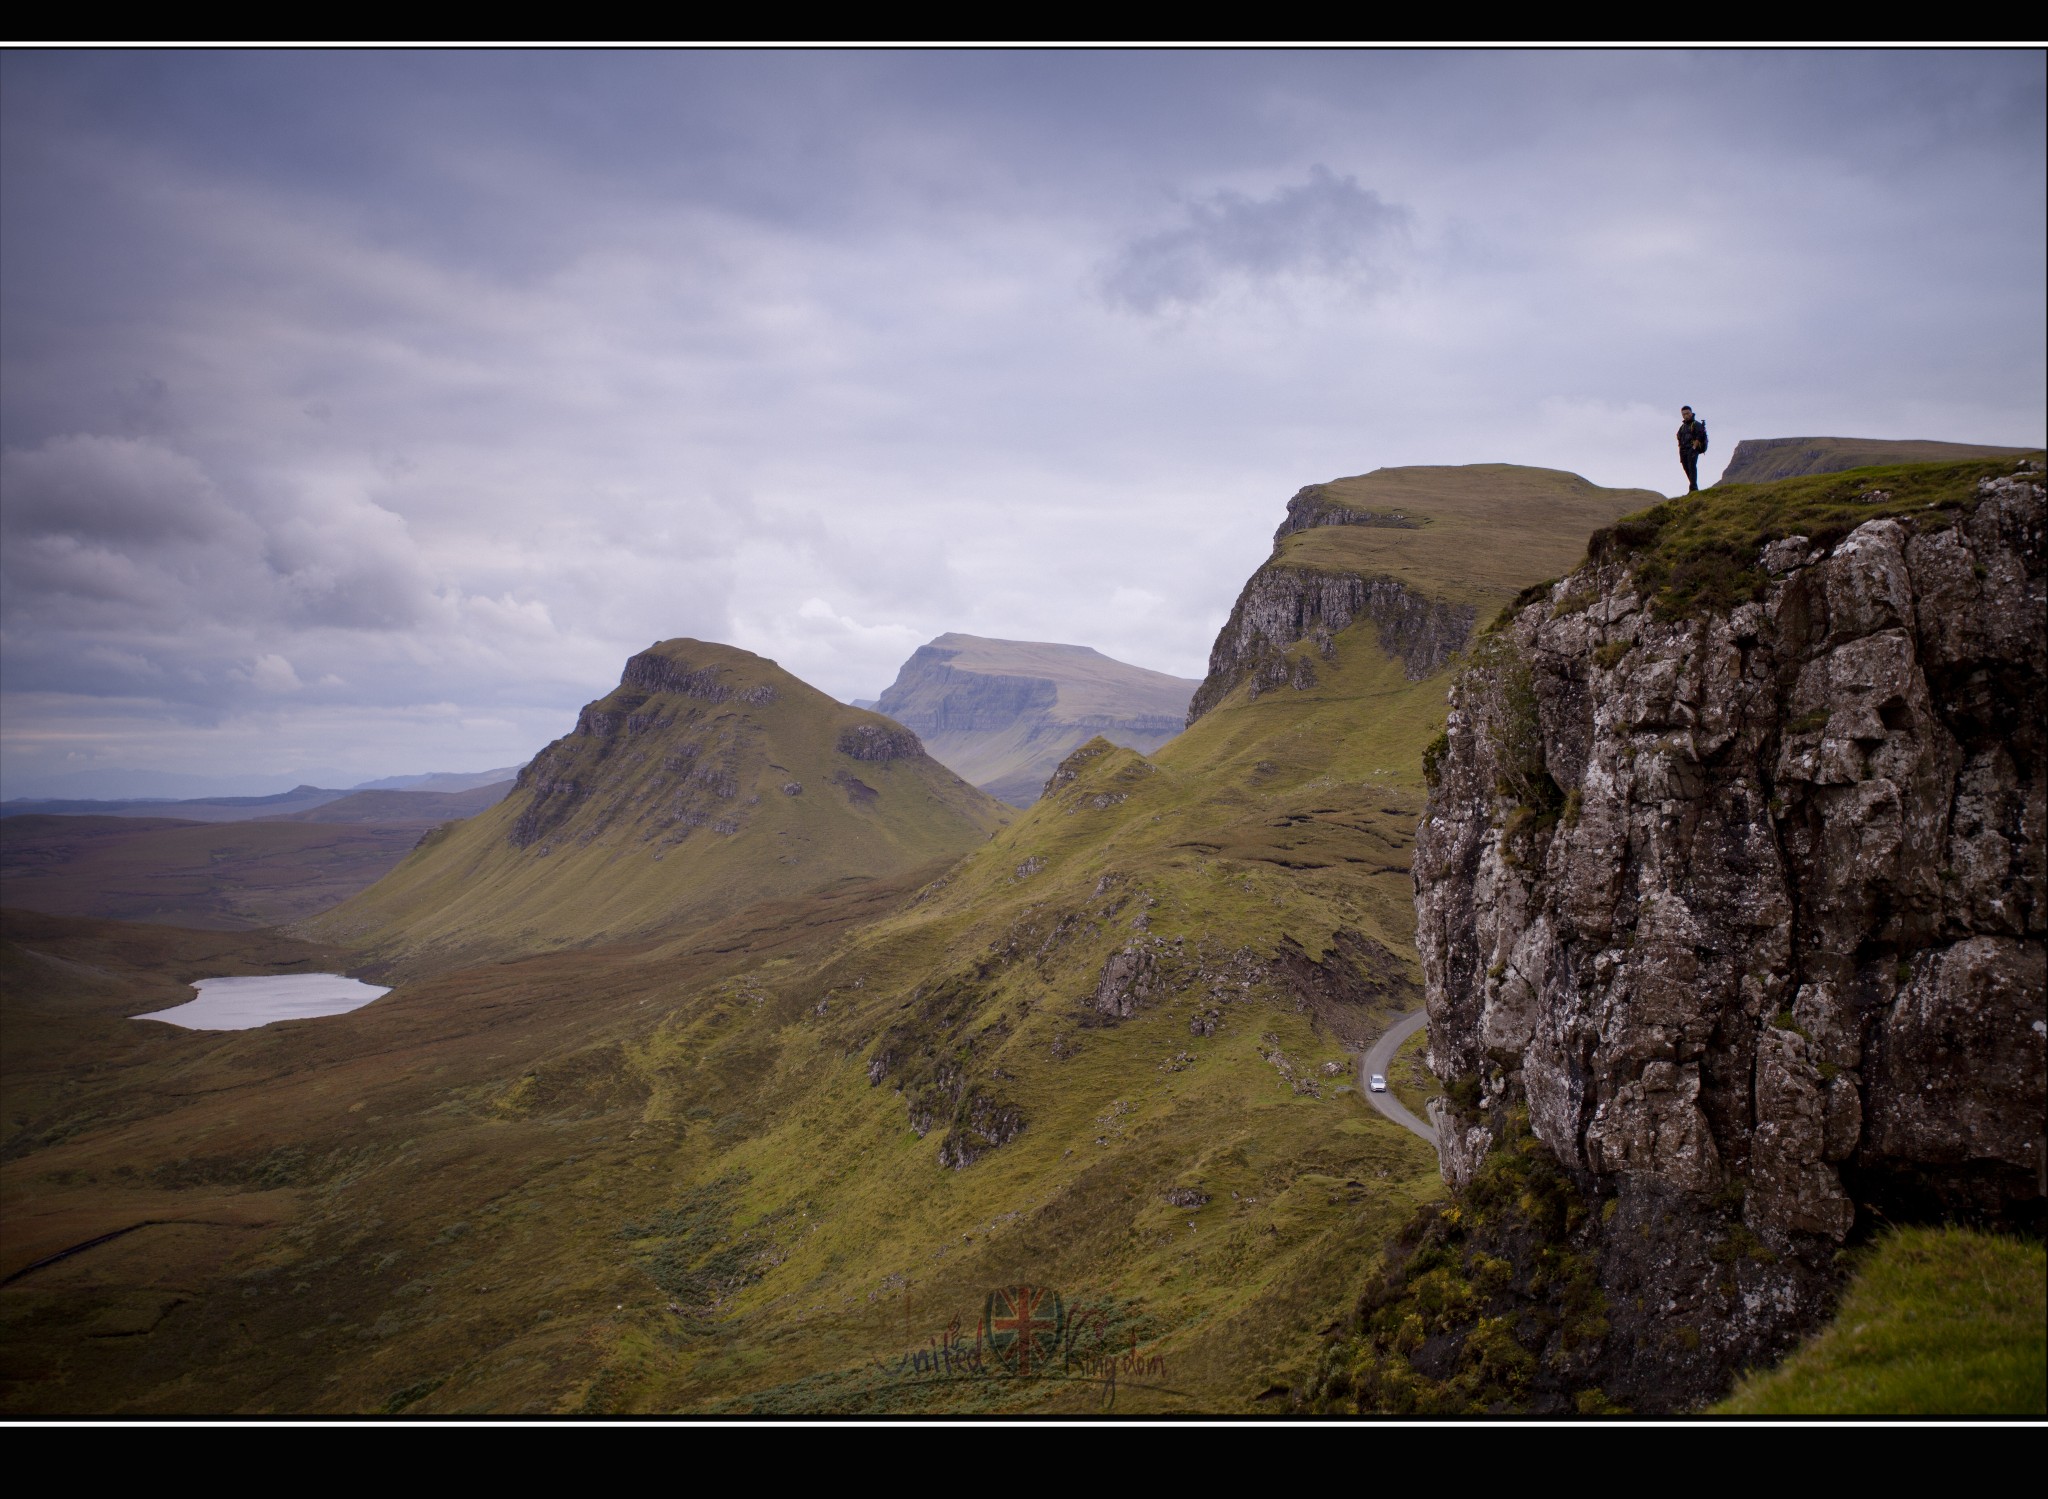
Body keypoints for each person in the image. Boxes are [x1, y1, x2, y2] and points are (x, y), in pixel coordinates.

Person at [1676, 406, 1709, 493]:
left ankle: (1693, 488)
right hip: (1683, 450)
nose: (1686, 416)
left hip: (1692, 449)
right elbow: (1679, 437)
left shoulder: (1696, 424)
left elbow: (1700, 436)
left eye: (1687, 413)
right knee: (1686, 468)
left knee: (1691, 467)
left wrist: (1694, 448)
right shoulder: (1682, 427)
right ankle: (1693, 486)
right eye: (1684, 414)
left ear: (1691, 413)